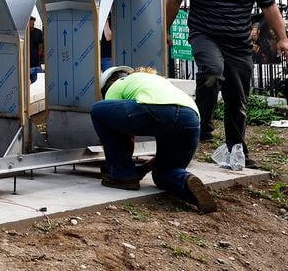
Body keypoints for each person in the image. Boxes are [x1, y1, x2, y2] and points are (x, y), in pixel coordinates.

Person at [165, 0, 288, 167]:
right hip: (205, 35)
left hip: (238, 44)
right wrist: (165, 29)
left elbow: (269, 7)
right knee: (212, 71)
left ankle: (237, 149)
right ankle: (201, 126)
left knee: (238, 98)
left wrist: (283, 39)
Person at [91, 65, 217, 213]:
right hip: (191, 119)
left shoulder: (117, 85)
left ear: (108, 84)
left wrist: (126, 169)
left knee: (98, 110)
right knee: (164, 174)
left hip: (156, 110)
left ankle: (122, 176)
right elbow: (168, 122)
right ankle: (186, 181)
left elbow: (124, 135)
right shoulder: (157, 81)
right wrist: (144, 169)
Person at [28, 16, 44, 84]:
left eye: (33, 22)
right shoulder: (25, 33)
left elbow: (40, 46)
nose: (32, 23)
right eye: (30, 21)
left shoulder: (38, 32)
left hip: (35, 60)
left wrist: (39, 60)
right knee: (26, 77)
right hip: (26, 60)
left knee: (34, 78)